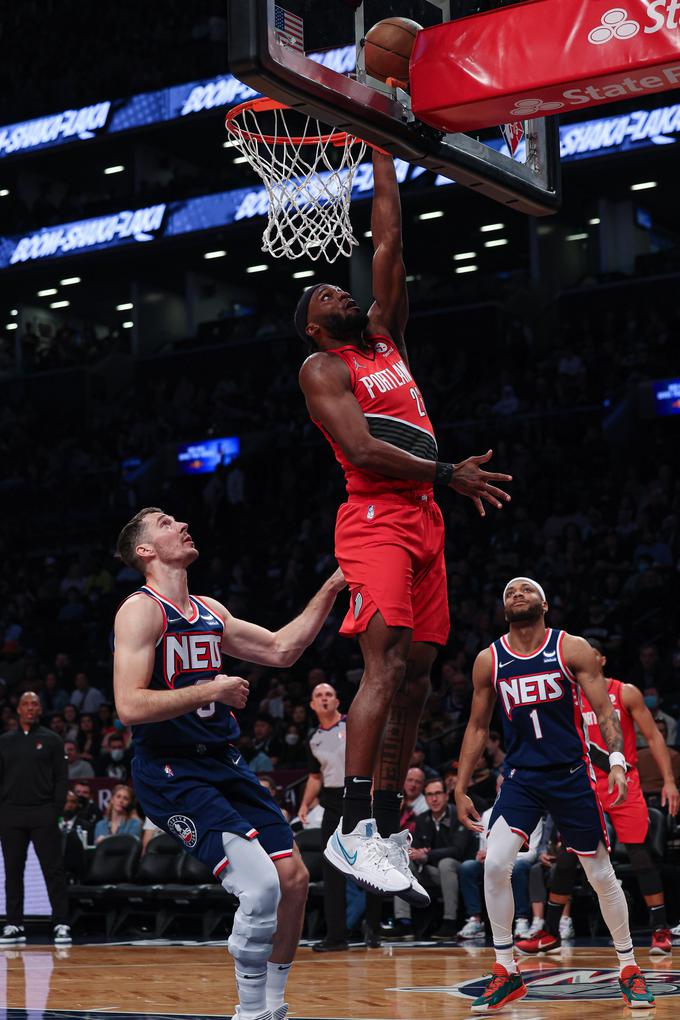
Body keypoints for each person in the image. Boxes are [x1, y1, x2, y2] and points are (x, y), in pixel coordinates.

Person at [297, 148, 512, 897]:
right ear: (315, 330)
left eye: (336, 286)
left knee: (419, 680)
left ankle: (386, 826)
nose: (337, 292)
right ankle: (349, 826)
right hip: (377, 519)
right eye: (324, 295)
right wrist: (449, 472)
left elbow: (389, 240)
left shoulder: (385, 335)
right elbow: (362, 447)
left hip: (424, 520)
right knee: (382, 668)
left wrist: (382, 146)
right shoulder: (323, 370)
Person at [112, 507, 346, 1020]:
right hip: (170, 769)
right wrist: (214, 686)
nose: (180, 523)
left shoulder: (210, 610)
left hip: (223, 760)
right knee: (260, 886)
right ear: (146, 551)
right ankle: (246, 1011)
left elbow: (283, 649)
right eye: (165, 522)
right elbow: (129, 705)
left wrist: (333, 584)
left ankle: (273, 1006)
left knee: (294, 882)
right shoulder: (140, 610)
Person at [455, 578, 655, 1012]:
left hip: (570, 773)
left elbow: (604, 709)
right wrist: (460, 783)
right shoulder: (489, 660)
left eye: (525, 589)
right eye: (508, 592)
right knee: (494, 866)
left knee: (601, 875)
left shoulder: (571, 648)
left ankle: (628, 966)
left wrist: (617, 760)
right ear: (503, 609)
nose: (516, 594)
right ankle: (506, 970)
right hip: (522, 777)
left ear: (544, 603)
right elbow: (476, 727)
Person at [521, 637, 680, 956]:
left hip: (623, 778)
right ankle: (551, 931)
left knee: (639, 852)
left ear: (601, 660)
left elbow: (654, 737)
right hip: (583, 781)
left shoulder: (626, 692)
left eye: (589, 655)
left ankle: (660, 930)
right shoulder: (568, 696)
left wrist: (669, 781)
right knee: (568, 855)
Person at [0, 691, 72, 946]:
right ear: (18, 709)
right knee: (12, 871)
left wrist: (56, 809)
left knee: (53, 870)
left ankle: (61, 922)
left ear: (40, 709)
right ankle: (14, 924)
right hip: (11, 814)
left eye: (35, 704)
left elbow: (62, 778)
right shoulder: (5, 741)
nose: (30, 708)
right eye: (26, 704)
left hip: (43, 812)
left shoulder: (51, 740)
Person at [298, 682, 351, 953]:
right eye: (319, 695)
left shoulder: (351, 725)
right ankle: (336, 937)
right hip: (330, 800)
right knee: (332, 869)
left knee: (371, 865)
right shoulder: (313, 738)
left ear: (337, 701)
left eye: (329, 694)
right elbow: (315, 777)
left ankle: (375, 931)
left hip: (357, 795)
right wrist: (305, 804)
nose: (325, 698)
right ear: (312, 705)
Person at [457, 777, 542, 941]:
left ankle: (521, 919)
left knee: (516, 867)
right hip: (493, 860)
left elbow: (532, 852)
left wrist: (503, 856)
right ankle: (475, 920)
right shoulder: (488, 814)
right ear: (496, 788)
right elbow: (483, 849)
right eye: (501, 786)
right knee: (468, 867)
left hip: (520, 860)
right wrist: (483, 854)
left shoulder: (531, 811)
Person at [393, 776, 477, 941]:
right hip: (431, 871)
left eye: (438, 793)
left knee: (446, 864)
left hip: (458, 872)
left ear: (447, 795)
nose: (434, 798)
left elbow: (457, 850)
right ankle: (403, 923)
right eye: (429, 794)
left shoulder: (459, 815)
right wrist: (413, 854)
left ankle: (450, 921)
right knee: (403, 863)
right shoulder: (422, 819)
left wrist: (427, 854)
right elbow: (415, 848)